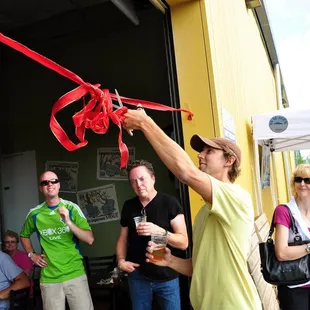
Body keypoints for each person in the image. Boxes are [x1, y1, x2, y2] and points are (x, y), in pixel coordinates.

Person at [122, 108, 262, 310]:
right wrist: (169, 260)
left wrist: (145, 123)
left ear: (229, 161)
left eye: (209, 151)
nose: (200, 155)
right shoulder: (205, 212)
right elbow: (196, 267)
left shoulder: (236, 197)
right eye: (201, 151)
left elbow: (186, 172)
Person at [116, 160, 188, 310]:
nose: (138, 184)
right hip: (137, 276)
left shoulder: (169, 203)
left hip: (166, 276)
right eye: (133, 181)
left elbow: (183, 242)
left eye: (142, 179)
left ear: (153, 178)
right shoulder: (129, 206)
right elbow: (122, 238)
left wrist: (158, 231)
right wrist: (121, 261)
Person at [20, 171, 94, 310]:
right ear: (41, 188)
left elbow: (89, 239)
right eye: (45, 182)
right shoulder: (34, 213)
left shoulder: (72, 208)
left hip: (75, 274)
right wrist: (32, 255)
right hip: (49, 277)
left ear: (59, 185)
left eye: (53, 181)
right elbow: (23, 235)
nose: (49, 184)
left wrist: (68, 222)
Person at [273, 164, 310, 310]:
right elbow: (281, 253)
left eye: (307, 180)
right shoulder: (284, 211)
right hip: (295, 286)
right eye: (298, 179)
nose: (302, 184)